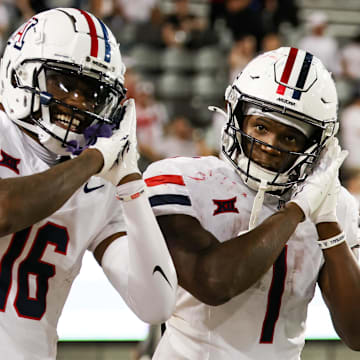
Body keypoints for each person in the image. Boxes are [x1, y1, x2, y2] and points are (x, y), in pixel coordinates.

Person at [143, 47, 360, 359]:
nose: (270, 146)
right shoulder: (182, 178)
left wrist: (327, 222)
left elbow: (356, 332)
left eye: (290, 138)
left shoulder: (334, 204)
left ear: (316, 146)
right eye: (261, 127)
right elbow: (213, 282)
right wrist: (297, 210)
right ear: (237, 115)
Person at [0, 8, 177, 360]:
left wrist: (128, 179)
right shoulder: (86, 167)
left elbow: (155, 304)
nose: (78, 102)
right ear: (20, 72)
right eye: (64, 83)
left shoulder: (95, 182)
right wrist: (94, 160)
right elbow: (5, 210)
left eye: (92, 92)